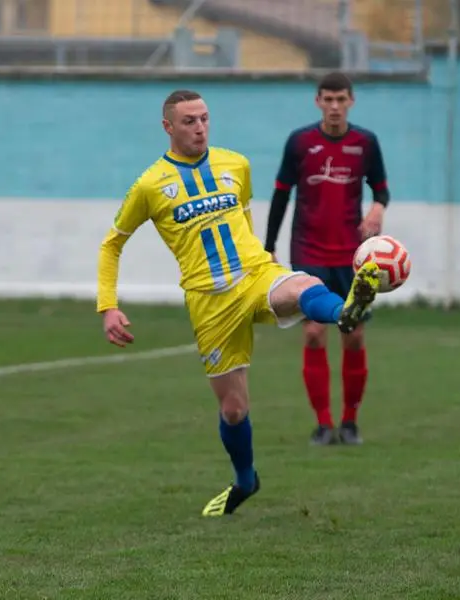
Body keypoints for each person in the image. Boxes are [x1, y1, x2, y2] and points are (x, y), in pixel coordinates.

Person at [97, 89, 381, 517]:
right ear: (168, 127)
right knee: (233, 410)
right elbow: (111, 245)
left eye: (205, 119)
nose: (200, 128)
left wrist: (262, 255)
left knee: (300, 285)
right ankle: (245, 479)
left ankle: (345, 312)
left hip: (253, 273)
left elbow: (243, 214)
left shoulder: (236, 164)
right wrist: (108, 306)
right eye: (189, 121)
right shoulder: (150, 185)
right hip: (209, 301)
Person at [263, 72, 390, 446]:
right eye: (328, 99)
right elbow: (281, 195)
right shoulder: (300, 142)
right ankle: (323, 424)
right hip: (309, 250)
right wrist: (269, 245)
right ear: (317, 101)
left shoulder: (365, 143)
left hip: (352, 256)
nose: (335, 107)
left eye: (341, 99)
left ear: (351, 101)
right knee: (315, 333)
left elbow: (382, 189)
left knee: (353, 336)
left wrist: (378, 210)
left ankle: (350, 422)